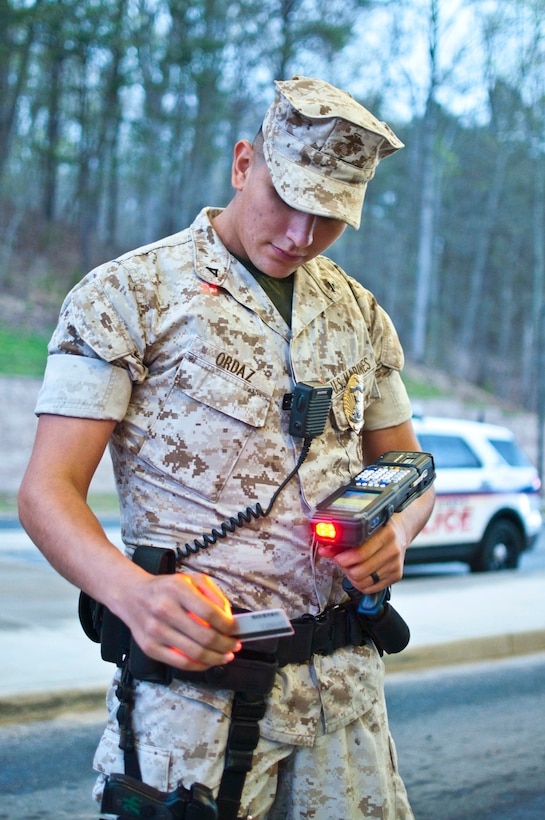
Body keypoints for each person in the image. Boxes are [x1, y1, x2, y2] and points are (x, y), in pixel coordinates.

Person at [19, 75, 435, 819]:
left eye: (331, 217)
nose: (301, 235)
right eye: (289, 200)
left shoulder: (360, 315)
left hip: (344, 707)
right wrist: (132, 593)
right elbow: (46, 493)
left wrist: (395, 534)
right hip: (193, 711)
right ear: (244, 164)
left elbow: (406, 471)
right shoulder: (125, 295)